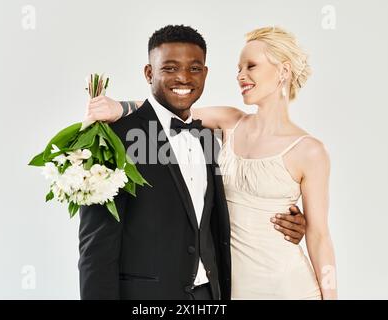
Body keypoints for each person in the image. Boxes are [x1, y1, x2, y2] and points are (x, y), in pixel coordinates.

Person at [81, 25, 308, 300]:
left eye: (194, 68)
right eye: (169, 68)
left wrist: (284, 220)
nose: (183, 78)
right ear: (149, 73)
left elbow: (218, 217)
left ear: (205, 73)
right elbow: (96, 251)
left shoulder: (208, 138)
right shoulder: (117, 139)